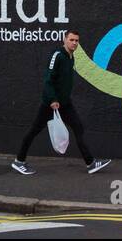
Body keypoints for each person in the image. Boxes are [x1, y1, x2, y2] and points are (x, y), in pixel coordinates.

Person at [11, 29, 111, 176]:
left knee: (78, 127)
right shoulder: (57, 55)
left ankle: (91, 163)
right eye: (71, 40)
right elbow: (48, 80)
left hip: (65, 103)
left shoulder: (71, 57)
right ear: (64, 40)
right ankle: (19, 161)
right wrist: (52, 99)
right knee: (34, 131)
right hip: (50, 104)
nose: (74, 43)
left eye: (76, 41)